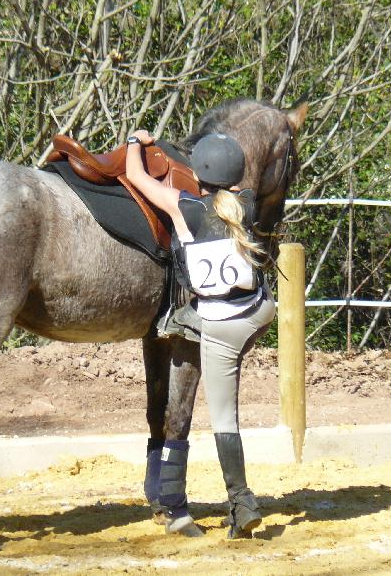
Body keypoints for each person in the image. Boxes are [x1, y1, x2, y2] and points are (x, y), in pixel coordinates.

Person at [125, 128, 276, 539]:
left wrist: (135, 142)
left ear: (199, 176)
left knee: (225, 418)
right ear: (235, 178)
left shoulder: (184, 208)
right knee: (226, 410)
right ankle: (239, 503)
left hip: (219, 326)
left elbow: (136, 177)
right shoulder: (246, 204)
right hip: (257, 314)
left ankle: (242, 500)